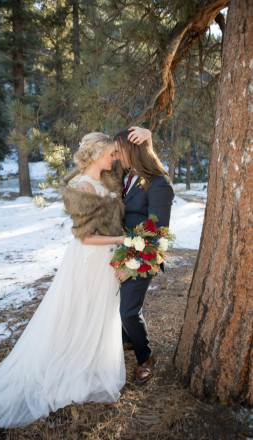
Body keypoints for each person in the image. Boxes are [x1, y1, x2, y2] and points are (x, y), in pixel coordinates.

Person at [0, 132, 127, 429]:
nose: (115, 158)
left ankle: (92, 363)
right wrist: (123, 239)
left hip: (104, 259)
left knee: (97, 314)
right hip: (89, 261)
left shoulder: (102, 179)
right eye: (111, 153)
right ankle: (72, 364)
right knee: (80, 313)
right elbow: (85, 237)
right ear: (97, 152)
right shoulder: (83, 185)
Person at [113, 127, 174, 385]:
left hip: (144, 254)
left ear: (133, 151)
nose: (116, 156)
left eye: (120, 151)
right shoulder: (125, 175)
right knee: (114, 305)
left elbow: (157, 229)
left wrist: (128, 262)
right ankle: (127, 340)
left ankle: (145, 356)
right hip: (119, 247)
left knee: (128, 310)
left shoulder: (159, 183)